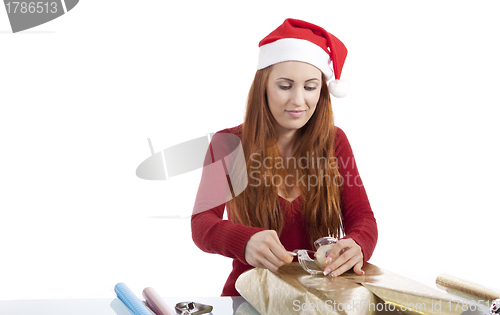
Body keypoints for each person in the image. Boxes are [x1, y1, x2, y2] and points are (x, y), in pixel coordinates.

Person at [191, 18, 378, 297]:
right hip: (247, 301)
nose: (298, 101)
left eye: (310, 87)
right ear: (263, 87)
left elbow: (362, 218)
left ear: (322, 91)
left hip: (320, 300)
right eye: (285, 85)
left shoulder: (335, 142)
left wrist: (357, 245)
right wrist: (244, 241)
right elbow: (202, 223)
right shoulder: (228, 144)